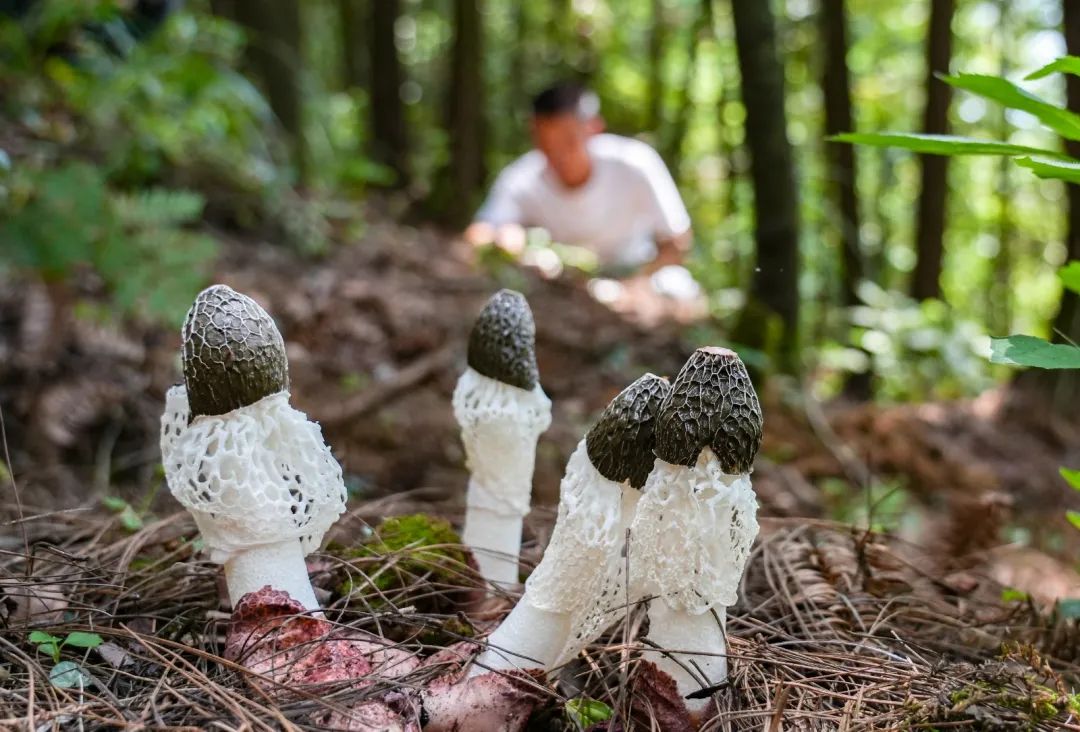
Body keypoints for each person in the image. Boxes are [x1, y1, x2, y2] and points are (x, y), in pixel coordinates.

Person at [465, 83, 693, 276]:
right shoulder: (522, 177)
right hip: (557, 284)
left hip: (634, 273)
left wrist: (636, 285)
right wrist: (501, 239)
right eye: (546, 143)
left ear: (593, 129)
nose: (558, 154)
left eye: (568, 141)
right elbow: (479, 232)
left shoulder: (634, 163)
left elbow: (677, 240)